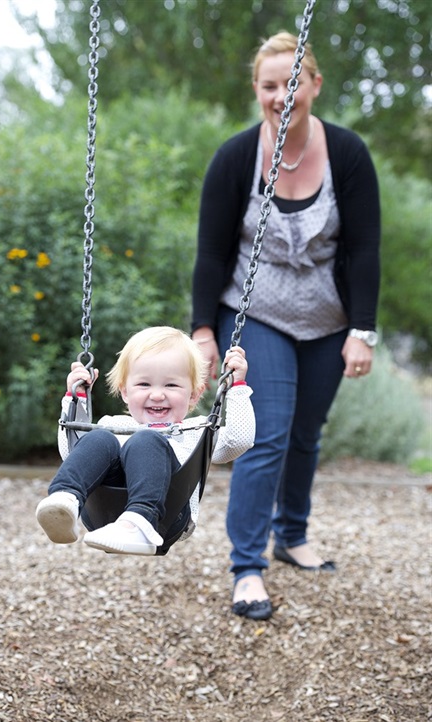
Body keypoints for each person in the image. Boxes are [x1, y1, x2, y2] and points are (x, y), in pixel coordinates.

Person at [191, 32, 380, 620]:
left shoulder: (347, 154)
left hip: (327, 316)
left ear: (315, 85)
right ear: (257, 90)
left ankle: (292, 534)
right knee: (265, 432)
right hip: (257, 313)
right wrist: (202, 332)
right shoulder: (235, 157)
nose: (281, 95)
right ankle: (247, 567)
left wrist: (363, 329)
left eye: (293, 83)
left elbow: (366, 248)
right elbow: (210, 253)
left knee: (305, 433)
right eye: (270, 85)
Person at [36, 326, 255, 557]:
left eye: (171, 385)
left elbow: (238, 441)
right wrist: (75, 399)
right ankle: (65, 500)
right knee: (98, 438)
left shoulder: (196, 431)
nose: (157, 394)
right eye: (144, 384)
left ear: (194, 394)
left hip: (167, 517)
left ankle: (139, 522)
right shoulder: (114, 424)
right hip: (102, 511)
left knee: (146, 441)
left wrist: (237, 388)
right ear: (125, 392)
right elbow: (73, 451)